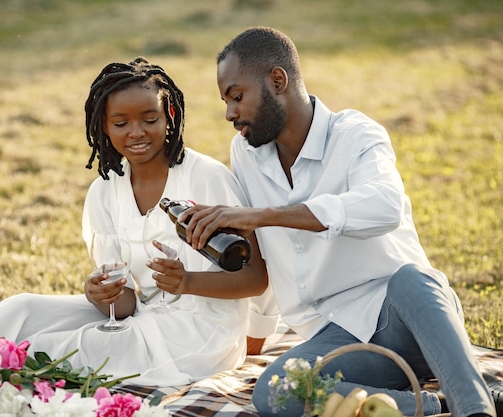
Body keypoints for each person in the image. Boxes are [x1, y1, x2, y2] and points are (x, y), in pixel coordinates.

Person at [0, 57, 268, 392]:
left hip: (200, 338)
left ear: (169, 116)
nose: (136, 132)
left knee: (50, 349)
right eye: (121, 122)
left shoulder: (207, 179)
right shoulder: (104, 192)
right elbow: (128, 304)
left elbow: (256, 280)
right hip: (143, 320)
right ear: (104, 126)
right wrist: (103, 296)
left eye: (149, 119)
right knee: (22, 309)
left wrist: (188, 283)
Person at [180, 27, 497, 417]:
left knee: (414, 278)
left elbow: (384, 206)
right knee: (275, 390)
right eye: (226, 101)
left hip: (408, 318)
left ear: (277, 81)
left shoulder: (356, 134)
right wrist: (257, 335)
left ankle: (476, 408)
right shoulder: (246, 151)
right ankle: (435, 403)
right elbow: (265, 256)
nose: (229, 113)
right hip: (336, 339)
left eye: (237, 96)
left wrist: (263, 215)